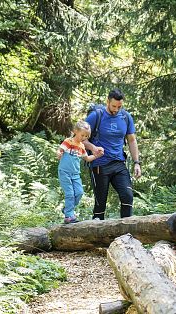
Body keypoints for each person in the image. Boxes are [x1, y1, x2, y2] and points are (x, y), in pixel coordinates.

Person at [84, 88, 141, 220]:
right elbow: (80, 137)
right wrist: (93, 147)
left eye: (119, 106)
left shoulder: (126, 117)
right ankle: (96, 237)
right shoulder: (96, 116)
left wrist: (137, 163)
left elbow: (132, 140)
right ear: (108, 102)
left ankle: (126, 234)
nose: (116, 109)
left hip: (119, 163)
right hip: (99, 164)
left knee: (127, 196)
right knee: (100, 204)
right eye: (113, 106)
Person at [57, 121, 102, 224]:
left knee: (79, 193)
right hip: (64, 172)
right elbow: (60, 150)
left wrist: (97, 155)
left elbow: (87, 158)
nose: (83, 138)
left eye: (86, 136)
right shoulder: (69, 141)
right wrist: (59, 153)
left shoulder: (82, 146)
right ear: (75, 131)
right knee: (70, 194)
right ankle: (69, 216)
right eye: (82, 135)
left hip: (75, 174)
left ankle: (67, 209)